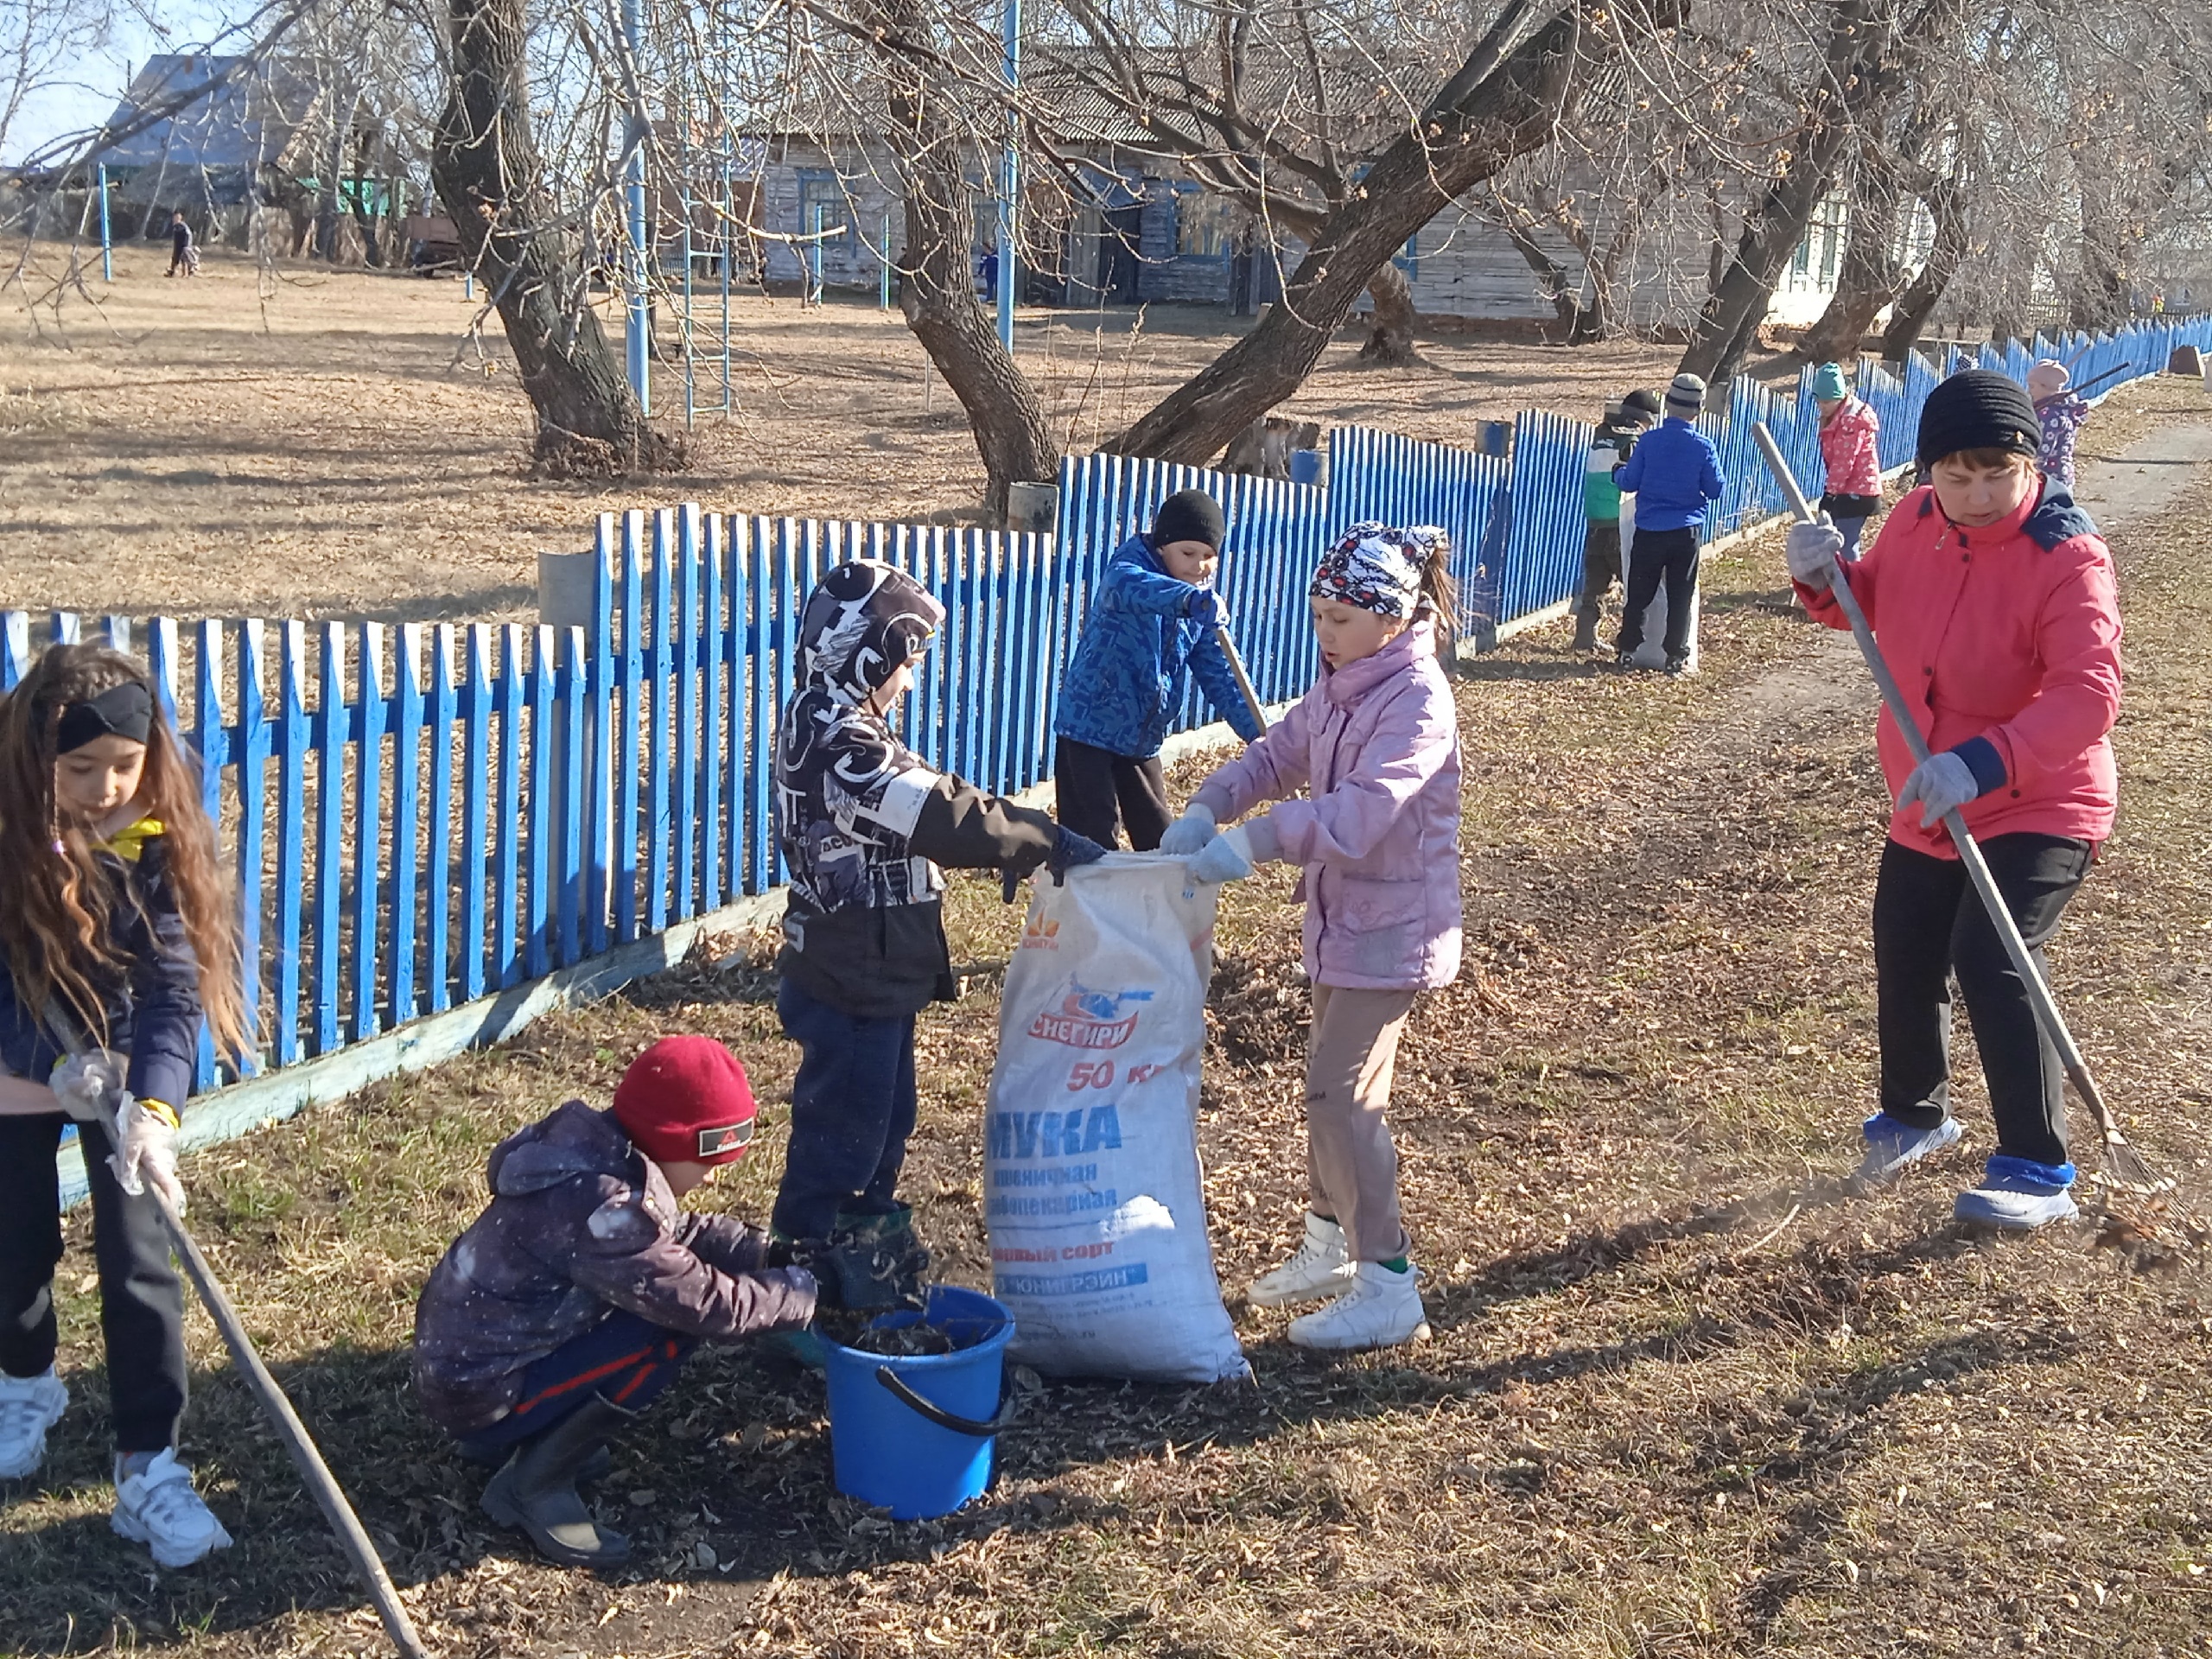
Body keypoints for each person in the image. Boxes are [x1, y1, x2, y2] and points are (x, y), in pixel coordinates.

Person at [1783, 370, 2121, 1230]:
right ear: (1926, 471)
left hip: (2041, 792)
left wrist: (1984, 759)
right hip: (1930, 793)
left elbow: (2088, 695)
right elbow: (1874, 608)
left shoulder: (2067, 557)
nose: (1974, 495)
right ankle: (1914, 1119)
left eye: (1994, 474)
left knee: (1991, 954)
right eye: (1954, 475)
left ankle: (2037, 1167)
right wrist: (1827, 579)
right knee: (1905, 939)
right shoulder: (1915, 520)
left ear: (2028, 463)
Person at [1159, 523, 1461, 1351]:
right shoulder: (1343, 685)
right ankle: (1331, 1247)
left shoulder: (1417, 702)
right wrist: (1208, 805)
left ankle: (1388, 1284)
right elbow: (1277, 756)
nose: (1323, 635)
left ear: (1392, 618)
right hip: (1342, 921)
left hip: (1392, 926)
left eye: (1339, 620)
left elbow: (1363, 814)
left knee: (1339, 1094)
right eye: (1318, 617)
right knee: (1333, 1091)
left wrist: (1257, 841)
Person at [772, 560, 1105, 1306]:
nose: (911, 680)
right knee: (845, 1130)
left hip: (868, 965)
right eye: (906, 662)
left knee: (886, 1115)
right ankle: (802, 1278)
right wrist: (1042, 838)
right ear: (864, 655)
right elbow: (941, 816)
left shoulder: (830, 715)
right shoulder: (842, 744)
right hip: (852, 966)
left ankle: (862, 1246)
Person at [0, 644, 251, 1567]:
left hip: (120, 1061)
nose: (106, 787)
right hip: (16, 1060)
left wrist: (151, 1109)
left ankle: (150, 1468)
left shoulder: (158, 836)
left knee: (141, 1257)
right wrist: (38, 1069)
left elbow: (174, 991)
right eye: (79, 771)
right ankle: (25, 1385)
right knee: (12, 1244)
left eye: (124, 765)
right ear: (35, 763)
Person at [413, 1037, 817, 1567]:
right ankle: (536, 1485)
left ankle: (509, 1440)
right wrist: (806, 1291)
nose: (715, 1175)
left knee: (660, 1293)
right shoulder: (606, 1213)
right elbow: (709, 1306)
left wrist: (768, 1253)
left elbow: (670, 1235)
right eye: (708, 1159)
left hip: (463, 1368)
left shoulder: (590, 1159)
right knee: (669, 1327)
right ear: (670, 1142)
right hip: (485, 1393)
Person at [1053, 489, 1265, 849]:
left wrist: (1260, 737)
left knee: (1160, 838)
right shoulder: (1128, 573)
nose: (1199, 566)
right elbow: (1129, 589)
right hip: (1088, 730)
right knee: (1093, 841)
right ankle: (1085, 901)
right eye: (1188, 553)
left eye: (1209, 556)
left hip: (1141, 738)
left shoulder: (1201, 605)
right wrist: (1186, 600)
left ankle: (1153, 902)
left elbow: (1223, 677)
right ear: (1162, 544)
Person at [1612, 372, 1726, 674]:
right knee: (1680, 594)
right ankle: (1676, 655)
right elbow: (1715, 489)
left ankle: (1628, 649)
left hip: (1649, 530)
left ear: (1668, 404)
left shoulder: (1649, 441)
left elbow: (1629, 482)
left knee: (1639, 593)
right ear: (1697, 410)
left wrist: (1616, 472)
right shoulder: (1704, 446)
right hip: (1686, 532)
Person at [1573, 388, 1662, 652]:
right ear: (1642, 420)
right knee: (1635, 582)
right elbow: (1639, 480)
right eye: (1649, 423)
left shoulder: (1600, 438)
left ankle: (1584, 638)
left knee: (1596, 584)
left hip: (1594, 521)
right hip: (1619, 522)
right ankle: (1633, 642)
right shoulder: (1631, 443)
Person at [1811, 361, 1883, 558]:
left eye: (1827, 402)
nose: (1822, 407)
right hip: (1850, 489)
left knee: (1845, 542)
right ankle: (1838, 580)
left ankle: (1850, 584)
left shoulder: (1850, 422)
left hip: (1858, 491)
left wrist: (1830, 494)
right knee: (1836, 537)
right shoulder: (1841, 415)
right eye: (1819, 402)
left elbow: (1844, 463)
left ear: (1840, 397)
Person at [2028, 360, 2089, 489]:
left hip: (2050, 478)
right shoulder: (2064, 408)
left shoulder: (2050, 415)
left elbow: (2043, 450)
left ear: (2045, 386)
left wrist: (2028, 473)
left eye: (2032, 386)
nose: (2030, 391)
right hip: (2064, 473)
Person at [166, 212, 197, 278]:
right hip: (178, 244)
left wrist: (186, 246)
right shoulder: (175, 226)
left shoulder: (182, 226)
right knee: (175, 258)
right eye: (175, 218)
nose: (175, 219)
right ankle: (172, 272)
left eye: (177, 218)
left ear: (180, 218)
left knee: (186, 258)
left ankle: (190, 272)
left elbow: (188, 235)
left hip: (184, 245)